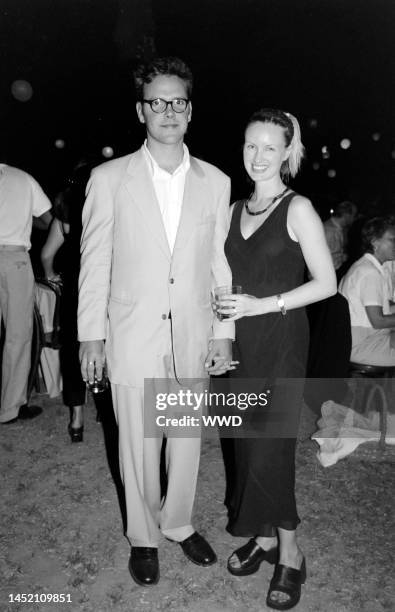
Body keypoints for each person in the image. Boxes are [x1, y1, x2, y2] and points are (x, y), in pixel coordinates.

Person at [77, 56, 234, 586]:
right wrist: (91, 336)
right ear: (141, 111)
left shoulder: (216, 181)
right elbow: (94, 261)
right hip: (132, 334)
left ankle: (178, 522)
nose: (169, 110)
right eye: (157, 102)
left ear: (190, 110)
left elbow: (218, 263)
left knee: (185, 439)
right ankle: (143, 537)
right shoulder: (108, 178)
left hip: (190, 335)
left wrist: (223, 331)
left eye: (178, 101)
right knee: (139, 447)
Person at [216, 108, 336, 610]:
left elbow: (326, 283)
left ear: (288, 151)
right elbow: (221, 279)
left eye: (270, 147)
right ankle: (264, 538)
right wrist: (219, 335)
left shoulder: (299, 207)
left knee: (271, 449)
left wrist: (263, 305)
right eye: (250, 145)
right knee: (245, 442)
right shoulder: (231, 208)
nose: (258, 156)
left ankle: (290, 552)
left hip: (281, 340)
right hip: (240, 343)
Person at [41, 164, 92, 442]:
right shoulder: (105, 207)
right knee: (109, 346)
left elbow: (47, 253)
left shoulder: (64, 211)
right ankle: (107, 411)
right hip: (106, 287)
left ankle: (76, 420)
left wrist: (50, 275)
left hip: (75, 290)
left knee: (73, 351)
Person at [0, 163, 52, 423]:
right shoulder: (23, 177)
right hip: (13, 259)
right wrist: (22, 215)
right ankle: (10, 408)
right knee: (17, 336)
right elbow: (47, 219)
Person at [339, 216, 395, 366]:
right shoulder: (369, 273)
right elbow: (378, 320)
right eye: (392, 240)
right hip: (360, 344)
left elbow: (384, 307)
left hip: (365, 336)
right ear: (375, 242)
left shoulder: (369, 266)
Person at [323, 200, 357, 280]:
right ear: (347, 215)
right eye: (354, 215)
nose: (354, 219)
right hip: (327, 275)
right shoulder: (329, 231)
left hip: (334, 271)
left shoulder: (340, 228)